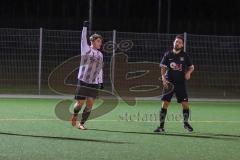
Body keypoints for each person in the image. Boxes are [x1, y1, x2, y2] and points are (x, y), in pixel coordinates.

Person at [154, 35, 194, 133]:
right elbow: (163, 67)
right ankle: (161, 127)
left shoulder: (185, 55)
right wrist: (163, 78)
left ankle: (186, 123)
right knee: (165, 104)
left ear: (182, 45)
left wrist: (188, 73)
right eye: (176, 41)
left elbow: (191, 67)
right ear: (174, 42)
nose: (178, 43)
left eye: (180, 42)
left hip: (180, 84)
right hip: (169, 83)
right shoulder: (168, 54)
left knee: (185, 104)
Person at [71, 21, 104, 130]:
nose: (100, 43)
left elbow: (100, 69)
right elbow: (83, 39)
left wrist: (101, 81)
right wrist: (84, 27)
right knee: (79, 104)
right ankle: (75, 114)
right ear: (93, 41)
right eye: (98, 41)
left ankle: (82, 124)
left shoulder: (100, 54)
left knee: (90, 104)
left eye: (101, 41)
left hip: (94, 83)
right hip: (83, 81)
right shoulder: (86, 49)